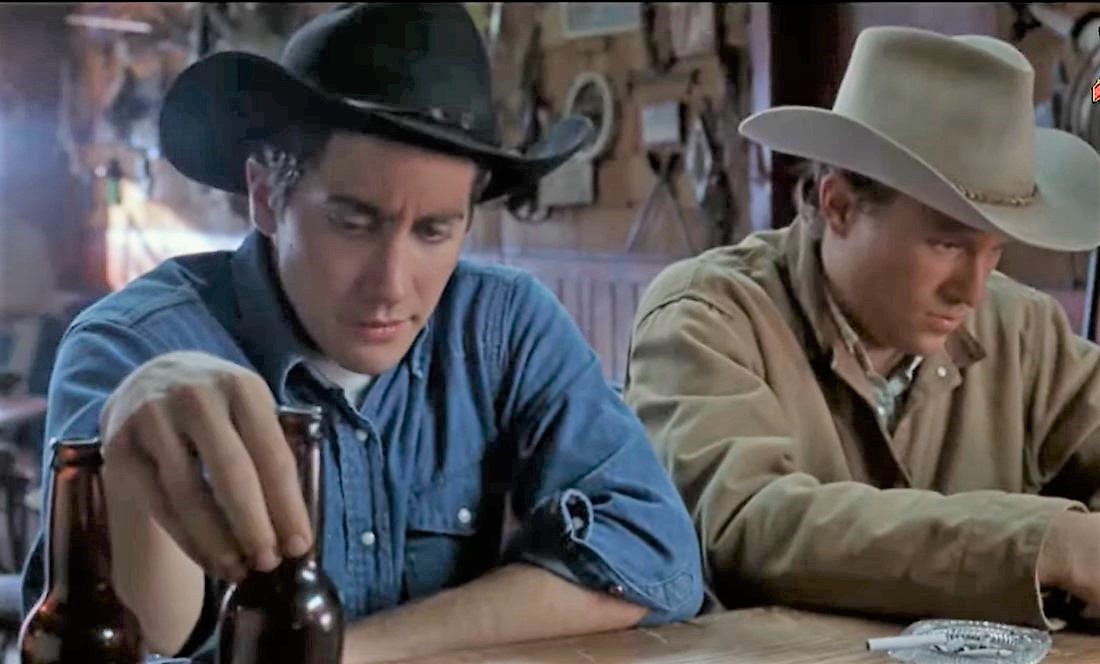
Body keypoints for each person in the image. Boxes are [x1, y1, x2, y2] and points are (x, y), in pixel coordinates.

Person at [20, 4, 704, 661]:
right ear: (265, 196)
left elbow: (655, 559)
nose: (391, 285)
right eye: (352, 223)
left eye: (434, 231)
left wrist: (340, 652)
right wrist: (133, 450)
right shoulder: (129, 345)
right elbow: (123, 639)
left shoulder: (504, 327)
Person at [623, 25, 1100, 630]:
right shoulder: (706, 318)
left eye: (995, 251)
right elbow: (742, 523)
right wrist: (1045, 545)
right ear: (839, 205)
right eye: (947, 244)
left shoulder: (1024, 328)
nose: (972, 292)